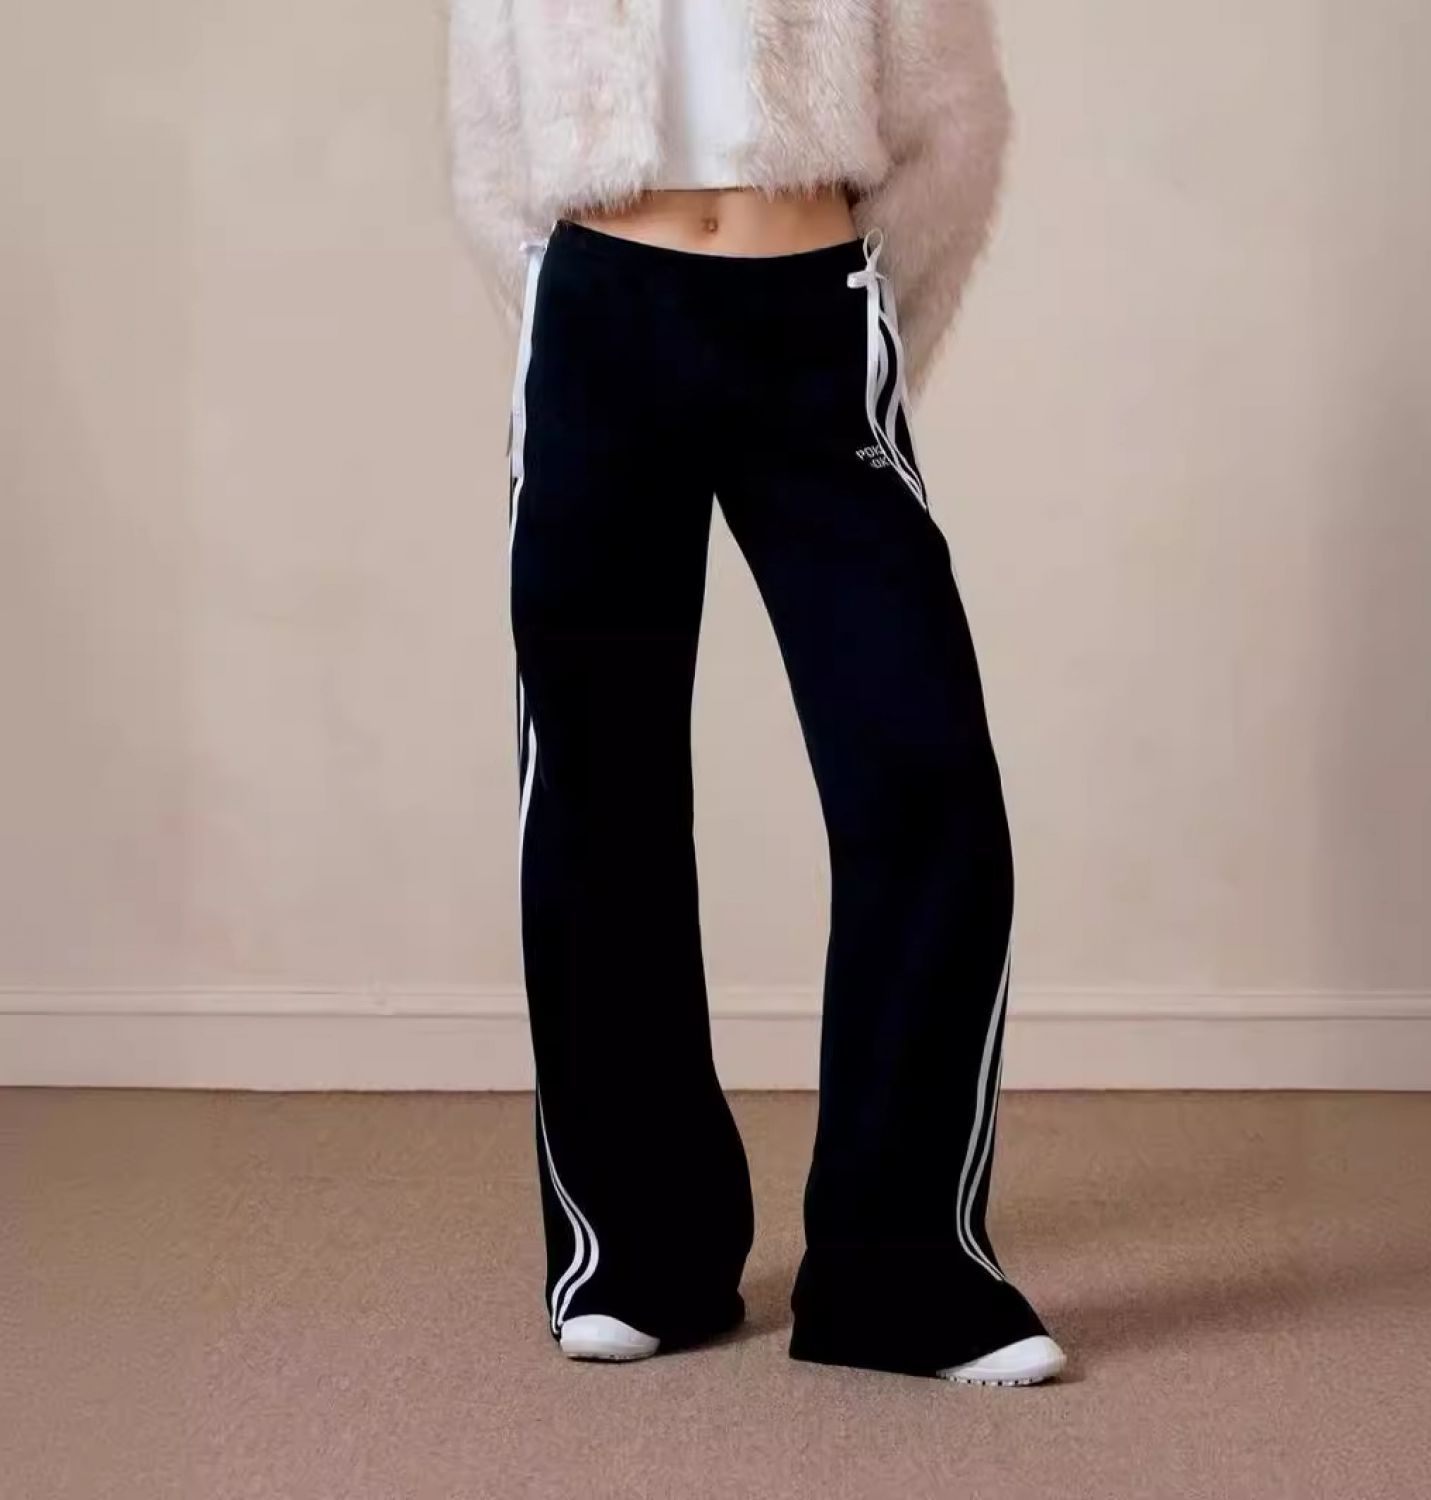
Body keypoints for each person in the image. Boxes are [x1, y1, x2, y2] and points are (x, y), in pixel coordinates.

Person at [445, 0, 1066, 1386]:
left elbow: (953, 125)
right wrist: (565, 313)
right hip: (600, 316)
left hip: (809, 318)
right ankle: (636, 1246)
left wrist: (858, 323)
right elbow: (489, 147)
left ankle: (900, 1269)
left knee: (921, 776)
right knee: (597, 790)